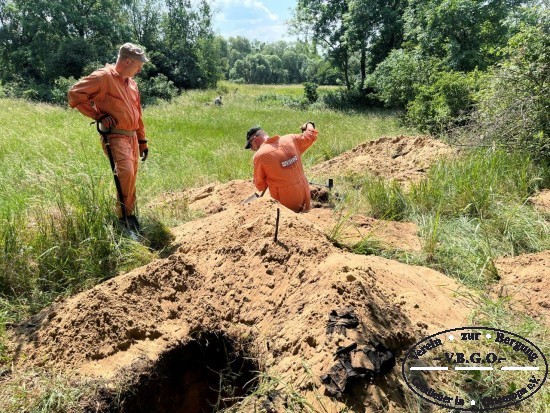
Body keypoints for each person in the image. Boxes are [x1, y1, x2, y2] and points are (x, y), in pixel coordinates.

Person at [68, 43, 149, 233]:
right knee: (126, 173)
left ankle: (129, 216)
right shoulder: (103, 77)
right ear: (128, 61)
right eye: (139, 64)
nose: (140, 68)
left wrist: (142, 140)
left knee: (131, 178)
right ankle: (124, 220)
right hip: (115, 136)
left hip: (131, 137)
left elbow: (138, 114)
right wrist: (99, 115)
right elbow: (74, 94)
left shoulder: (133, 85)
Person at [245, 122, 318, 213]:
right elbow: (310, 136)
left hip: (286, 201)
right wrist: (309, 124)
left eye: (250, 146)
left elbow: (261, 186)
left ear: (255, 140)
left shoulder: (260, 156)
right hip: (306, 194)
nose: (252, 149)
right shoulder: (290, 139)